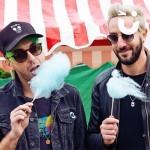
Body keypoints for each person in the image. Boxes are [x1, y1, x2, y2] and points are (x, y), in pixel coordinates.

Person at [0, 21, 87, 150]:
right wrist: (13, 135)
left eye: (34, 48)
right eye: (20, 55)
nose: (32, 58)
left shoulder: (70, 94)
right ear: (9, 64)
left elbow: (82, 145)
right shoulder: (2, 101)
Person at [86, 3, 150, 150]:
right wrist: (102, 139)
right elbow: (90, 137)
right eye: (113, 38)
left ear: (143, 34)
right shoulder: (102, 83)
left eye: (127, 35)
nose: (120, 44)